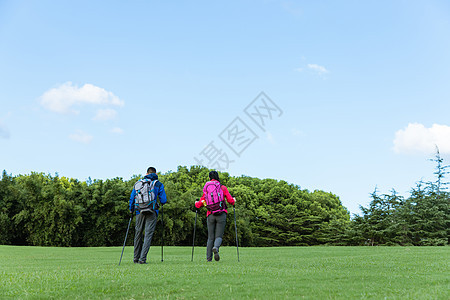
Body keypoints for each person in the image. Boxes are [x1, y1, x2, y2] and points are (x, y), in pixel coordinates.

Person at [129, 167, 167, 264]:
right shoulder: (158, 184)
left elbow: (132, 197)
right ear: (155, 173)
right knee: (148, 235)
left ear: (146, 173)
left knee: (138, 234)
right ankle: (142, 259)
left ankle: (135, 258)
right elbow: (163, 200)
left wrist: (131, 209)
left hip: (139, 211)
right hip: (152, 211)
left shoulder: (139, 183)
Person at [195, 171, 235, 262]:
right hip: (221, 214)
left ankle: (209, 259)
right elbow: (230, 201)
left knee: (210, 237)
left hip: (210, 214)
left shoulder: (207, 189)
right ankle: (216, 248)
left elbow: (200, 203)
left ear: (209, 178)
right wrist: (234, 201)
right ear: (218, 177)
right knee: (219, 236)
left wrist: (196, 204)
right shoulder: (222, 187)